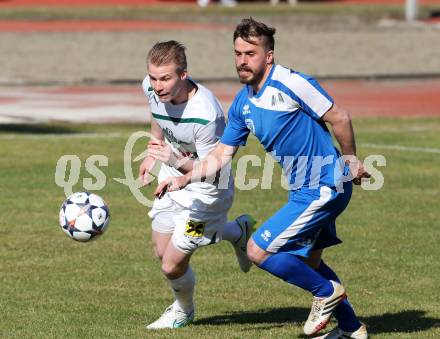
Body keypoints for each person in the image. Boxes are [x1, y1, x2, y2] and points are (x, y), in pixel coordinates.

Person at [154, 19, 371, 338]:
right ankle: (353, 329)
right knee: (308, 261)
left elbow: (339, 117)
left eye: (250, 53)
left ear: (268, 55)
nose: (242, 60)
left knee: (258, 251)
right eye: (238, 53)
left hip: (324, 186)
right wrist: (182, 179)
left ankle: (325, 293)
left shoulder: (291, 83)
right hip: (303, 192)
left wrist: (350, 158)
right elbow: (219, 156)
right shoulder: (242, 103)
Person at [139, 40, 256, 329]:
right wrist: (153, 151)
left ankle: (183, 311)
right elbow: (158, 116)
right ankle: (236, 232)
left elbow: (214, 170)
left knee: (171, 264)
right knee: (160, 250)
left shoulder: (206, 114)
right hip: (172, 177)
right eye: (153, 77)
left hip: (206, 196)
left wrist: (177, 165)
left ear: (183, 75)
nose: (157, 85)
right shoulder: (152, 88)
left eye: (165, 78)